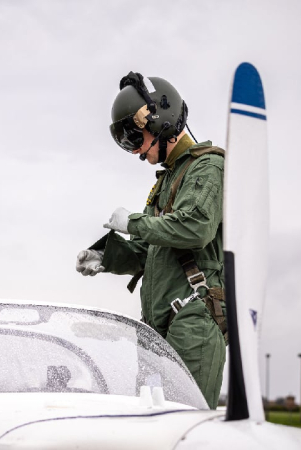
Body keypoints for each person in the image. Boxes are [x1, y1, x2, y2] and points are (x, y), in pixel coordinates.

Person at [75, 71, 226, 409]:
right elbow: (149, 251)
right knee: (150, 431)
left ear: (160, 121)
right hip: (157, 329)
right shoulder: (166, 182)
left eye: (135, 137)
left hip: (193, 322)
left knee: (186, 428)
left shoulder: (208, 167)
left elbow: (195, 229)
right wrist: (107, 255)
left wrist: (134, 221)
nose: (135, 150)